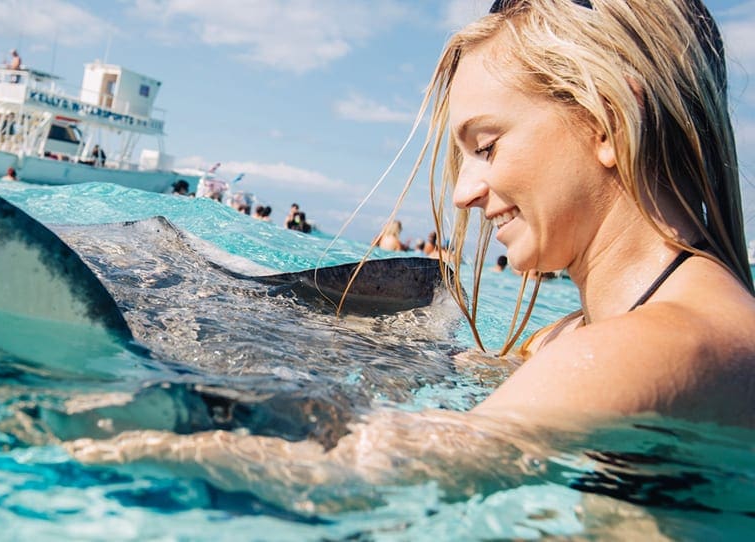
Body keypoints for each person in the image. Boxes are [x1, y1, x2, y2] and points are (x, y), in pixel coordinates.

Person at [65, 0, 755, 512]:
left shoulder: (651, 349)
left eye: (487, 146)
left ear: (606, 120)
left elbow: (373, 472)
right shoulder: (578, 339)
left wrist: (78, 427)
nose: (465, 192)